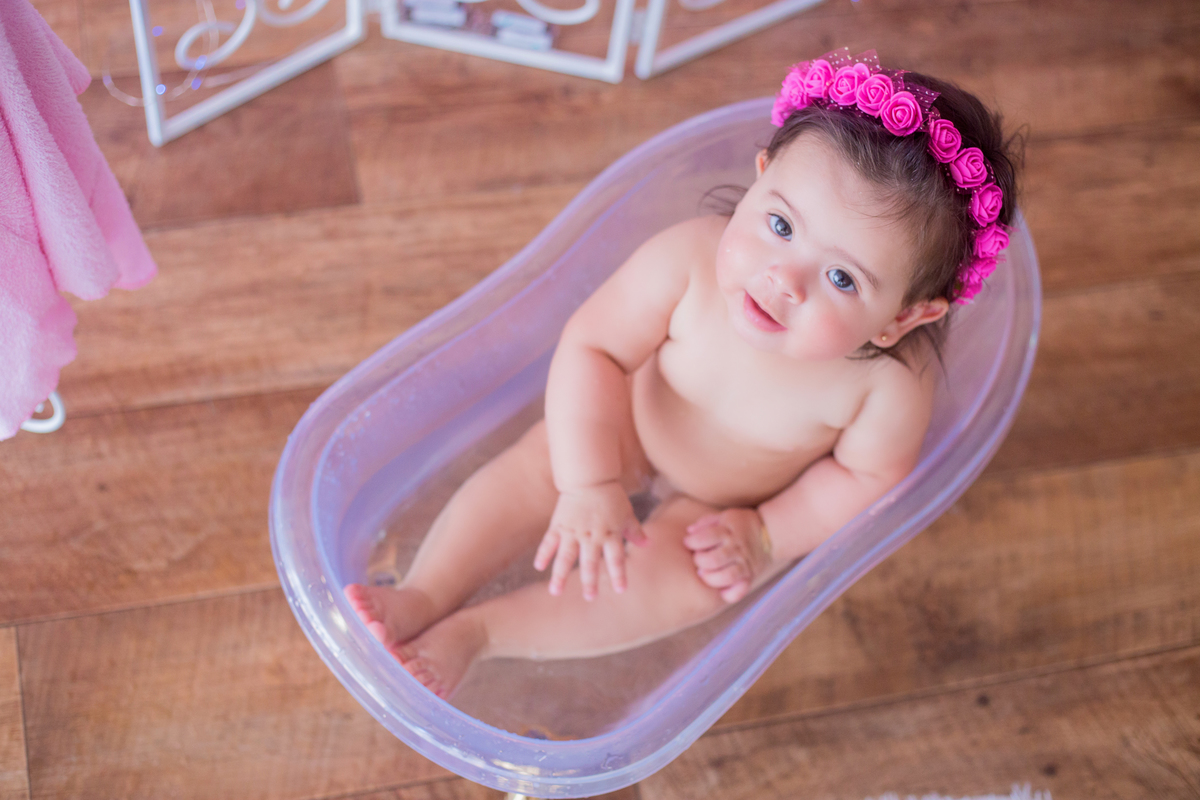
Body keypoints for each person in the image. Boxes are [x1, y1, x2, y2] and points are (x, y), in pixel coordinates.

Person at [344, 48, 1021, 699]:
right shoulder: (688, 262)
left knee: (695, 582)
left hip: (726, 506)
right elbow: (595, 350)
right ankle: (425, 593)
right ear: (759, 178)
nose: (783, 278)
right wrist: (590, 482)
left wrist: (765, 535)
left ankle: (483, 631)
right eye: (780, 225)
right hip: (626, 428)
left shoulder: (886, 387)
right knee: (539, 467)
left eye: (842, 277)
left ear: (901, 319)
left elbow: (865, 477)